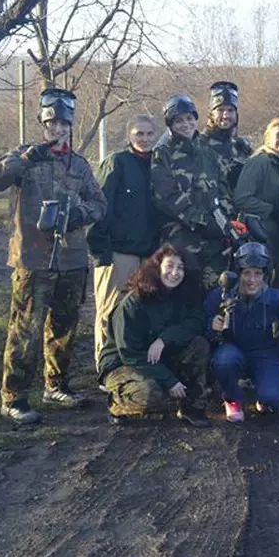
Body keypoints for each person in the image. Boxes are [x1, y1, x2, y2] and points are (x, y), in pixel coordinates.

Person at [0, 87, 107, 424]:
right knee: (25, 329)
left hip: (71, 259)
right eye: (52, 124)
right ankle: (14, 397)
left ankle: (56, 385)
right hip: (33, 259)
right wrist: (26, 159)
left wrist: (80, 214)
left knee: (65, 327)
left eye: (64, 125)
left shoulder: (79, 165)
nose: (58, 130)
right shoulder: (24, 157)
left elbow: (100, 204)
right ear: (43, 124)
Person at [97, 245, 211, 427]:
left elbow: (196, 322)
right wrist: (169, 381)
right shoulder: (133, 303)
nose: (175, 273)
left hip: (161, 356)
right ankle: (117, 403)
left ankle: (191, 407)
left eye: (180, 268)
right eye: (170, 266)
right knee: (151, 393)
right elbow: (130, 353)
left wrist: (164, 339)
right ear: (157, 268)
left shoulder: (183, 294)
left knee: (199, 344)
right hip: (124, 363)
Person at [87, 115, 162, 368]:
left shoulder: (158, 165)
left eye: (149, 134)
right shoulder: (117, 162)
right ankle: (105, 366)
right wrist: (100, 250)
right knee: (111, 311)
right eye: (139, 133)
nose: (145, 139)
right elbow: (99, 207)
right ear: (129, 135)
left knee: (140, 311)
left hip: (149, 253)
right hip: (119, 252)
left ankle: (134, 363)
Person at [150, 94, 234, 289]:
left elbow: (222, 186)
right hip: (181, 238)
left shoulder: (207, 150)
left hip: (214, 239)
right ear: (170, 124)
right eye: (178, 121)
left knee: (215, 290)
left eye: (189, 118)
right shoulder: (163, 152)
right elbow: (165, 195)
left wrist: (225, 219)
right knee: (185, 291)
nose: (185, 124)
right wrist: (201, 221)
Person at [205, 242, 279, 423]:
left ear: (265, 275)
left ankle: (263, 395)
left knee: (276, 398)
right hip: (231, 348)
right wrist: (211, 327)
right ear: (238, 273)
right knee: (224, 361)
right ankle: (232, 398)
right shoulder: (221, 296)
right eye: (246, 273)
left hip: (263, 351)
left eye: (258, 273)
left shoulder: (276, 298)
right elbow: (202, 325)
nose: (252, 280)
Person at [234, 118, 279, 292]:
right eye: (278, 135)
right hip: (259, 235)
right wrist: (271, 210)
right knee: (262, 285)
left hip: (278, 235)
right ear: (268, 137)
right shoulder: (259, 162)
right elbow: (241, 198)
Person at [201, 81, 252, 191]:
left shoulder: (243, 147)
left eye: (230, 110)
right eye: (220, 110)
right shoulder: (198, 144)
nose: (226, 115)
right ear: (211, 113)